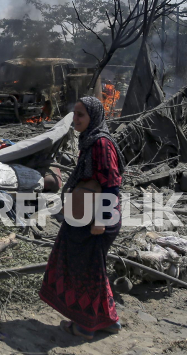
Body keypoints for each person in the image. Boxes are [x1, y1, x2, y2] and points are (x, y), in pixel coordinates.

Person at [40, 96, 124, 340]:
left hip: (98, 219)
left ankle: (86, 326)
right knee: (91, 268)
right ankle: (109, 321)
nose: (75, 119)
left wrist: (100, 220)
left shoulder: (101, 144)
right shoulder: (89, 140)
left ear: (93, 117)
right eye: (74, 113)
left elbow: (111, 185)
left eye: (81, 115)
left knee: (85, 270)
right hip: (85, 215)